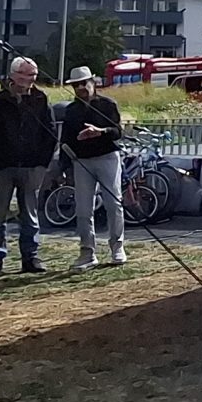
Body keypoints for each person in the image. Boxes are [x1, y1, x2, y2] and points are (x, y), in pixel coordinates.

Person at [0, 57, 58, 276]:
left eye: (33, 75)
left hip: (31, 166)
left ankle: (30, 257)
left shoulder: (40, 99)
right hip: (1, 166)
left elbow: (50, 133)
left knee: (29, 214)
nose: (29, 79)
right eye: (24, 74)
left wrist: (42, 165)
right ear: (13, 75)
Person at [58, 66, 127, 271]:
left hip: (107, 158)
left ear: (93, 83)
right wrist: (64, 166)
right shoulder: (71, 110)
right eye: (76, 85)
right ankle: (87, 252)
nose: (80, 88)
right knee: (83, 208)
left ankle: (117, 247)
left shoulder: (107, 104)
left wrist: (101, 131)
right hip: (82, 161)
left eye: (84, 83)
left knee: (113, 203)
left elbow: (118, 132)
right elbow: (65, 141)